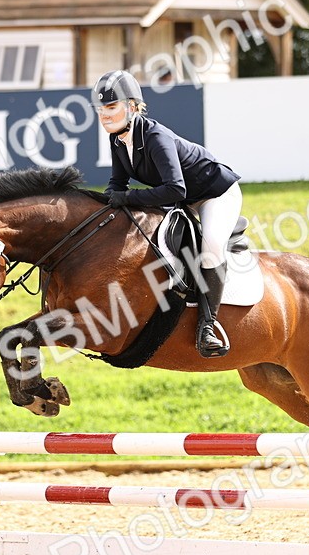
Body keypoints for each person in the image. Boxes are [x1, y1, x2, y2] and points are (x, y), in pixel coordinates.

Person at [92, 70, 242, 358]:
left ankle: (208, 326)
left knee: (210, 245)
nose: (105, 115)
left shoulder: (156, 137)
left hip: (215, 195)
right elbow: (117, 185)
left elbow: (175, 189)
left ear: (132, 106)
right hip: (185, 200)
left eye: (111, 107)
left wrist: (127, 197)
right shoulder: (118, 139)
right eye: (101, 109)